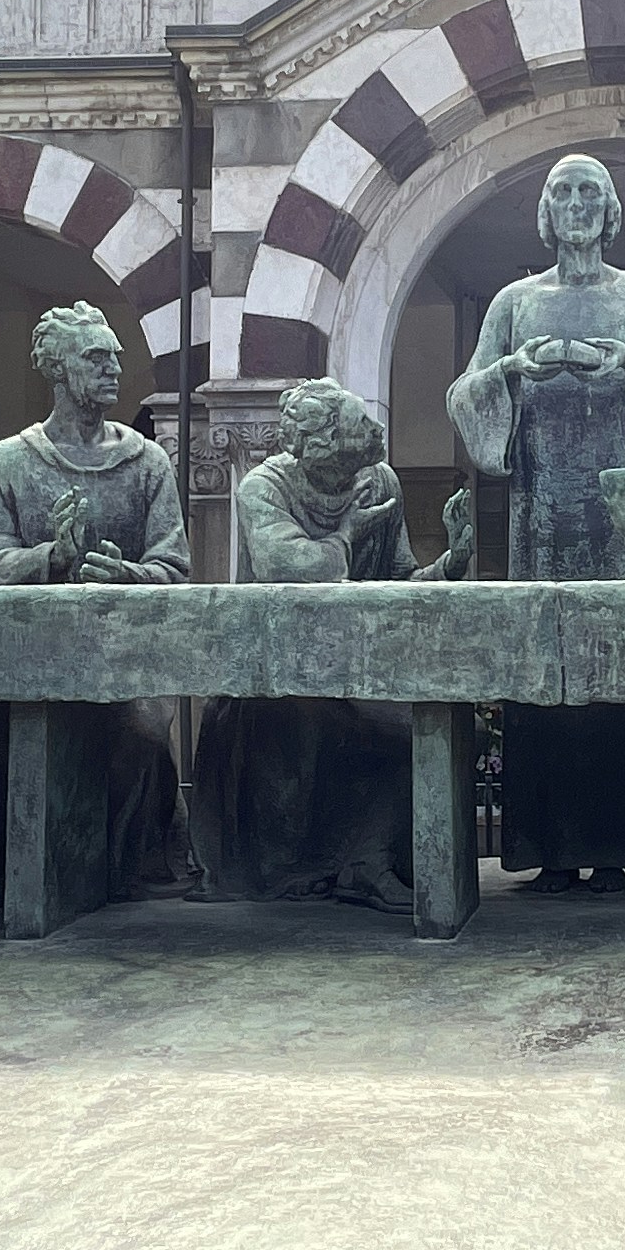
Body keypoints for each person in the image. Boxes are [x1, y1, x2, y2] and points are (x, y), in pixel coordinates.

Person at [441, 154, 625, 897]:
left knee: (612, 671)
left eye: (589, 191)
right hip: (537, 517)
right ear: (545, 212)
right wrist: (512, 371)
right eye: (561, 192)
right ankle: (548, 851)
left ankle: (611, 851)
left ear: (611, 208)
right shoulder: (514, 301)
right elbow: (466, 391)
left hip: (617, 516)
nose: (575, 203)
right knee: (542, 667)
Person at [192, 379, 469, 909]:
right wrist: (345, 532)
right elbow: (287, 568)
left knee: (447, 723)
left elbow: (398, 579)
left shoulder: (381, 481)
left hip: (357, 674)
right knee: (375, 730)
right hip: (278, 679)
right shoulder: (264, 487)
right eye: (358, 426)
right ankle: (354, 864)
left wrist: (448, 565)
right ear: (322, 442)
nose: (374, 431)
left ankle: (370, 860)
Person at [0, 303, 192, 912]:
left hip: (123, 659)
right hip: (27, 656)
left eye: (115, 355)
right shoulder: (13, 459)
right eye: (96, 357)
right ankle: (16, 857)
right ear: (56, 370)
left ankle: (110, 861)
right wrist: (48, 559)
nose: (115, 368)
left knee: (139, 730)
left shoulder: (147, 462)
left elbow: (175, 570)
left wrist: (125, 573)